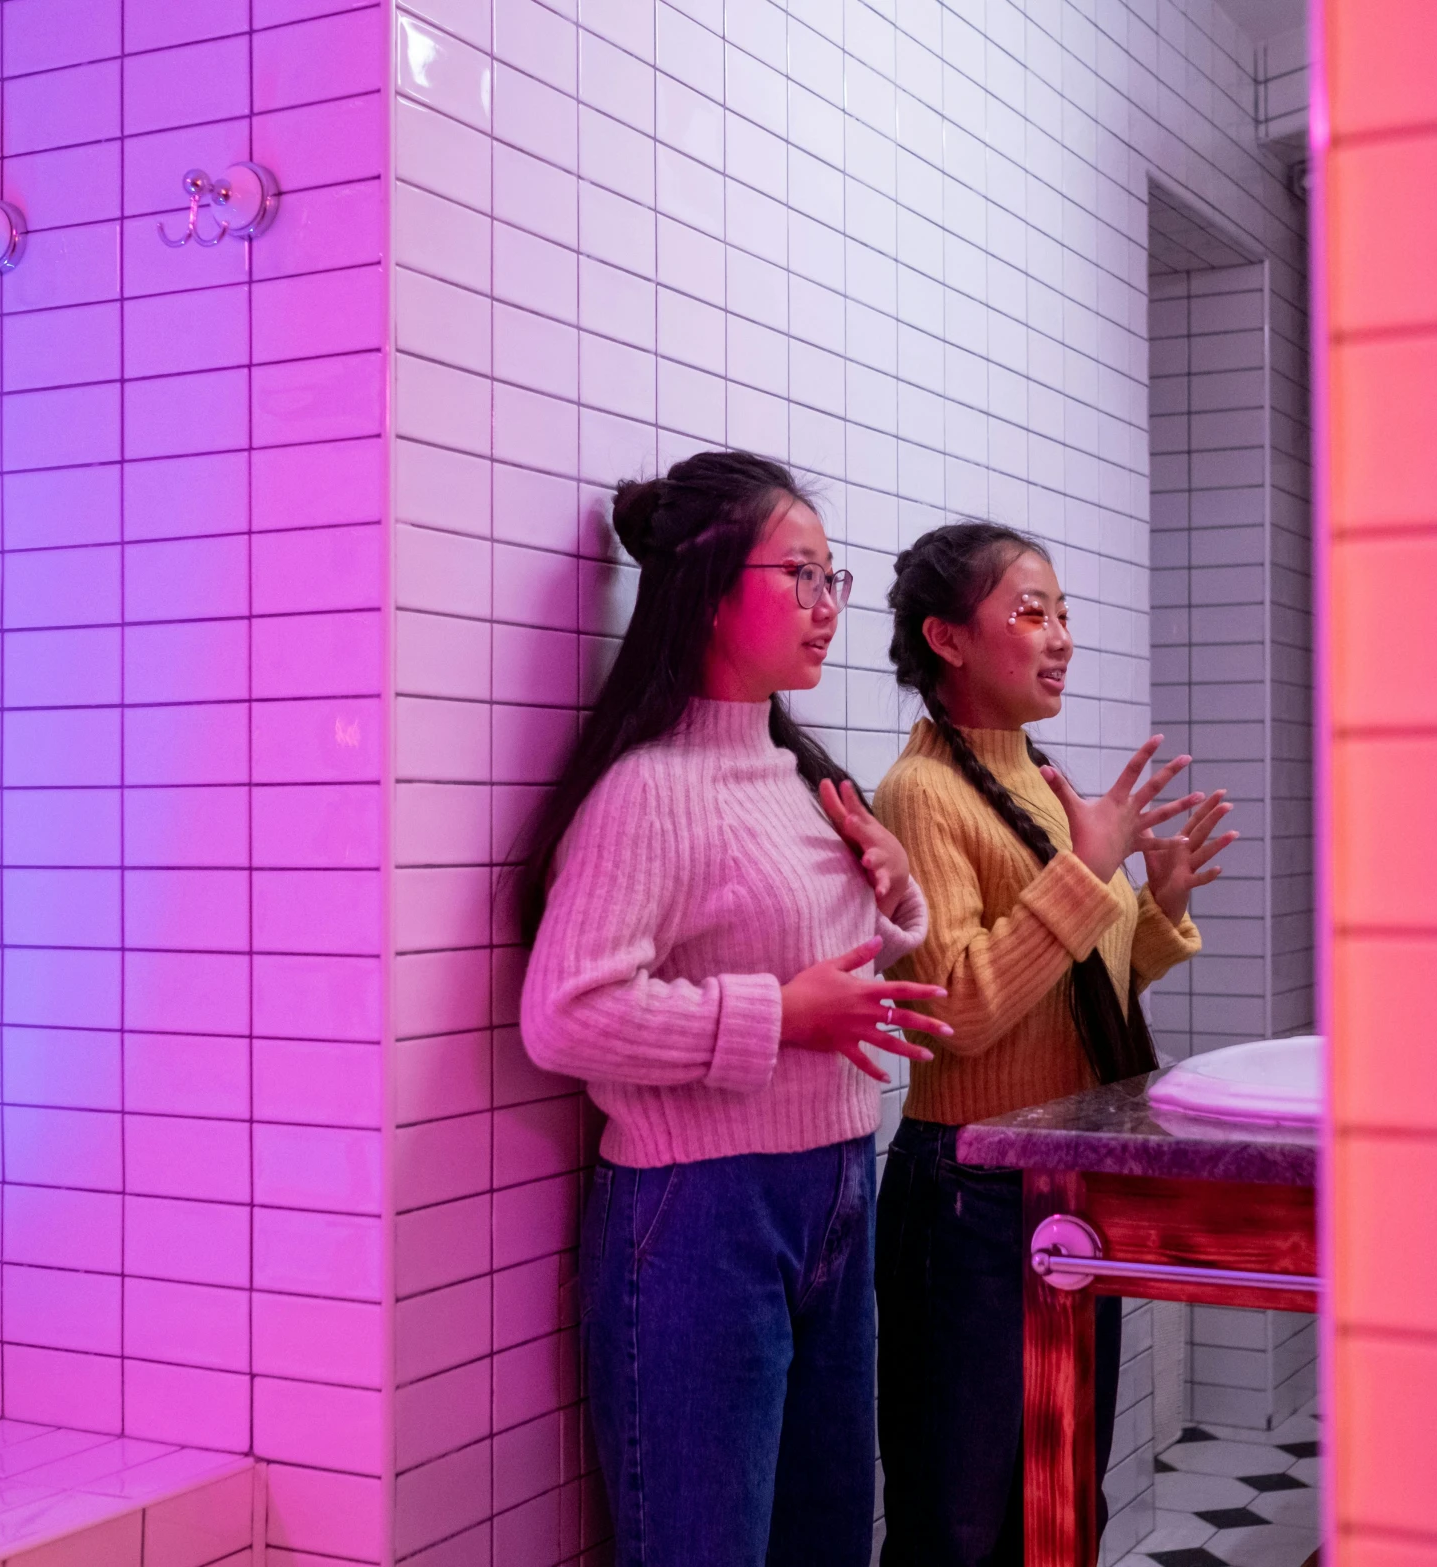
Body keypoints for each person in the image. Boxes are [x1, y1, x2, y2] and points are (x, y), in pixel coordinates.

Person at [515, 451, 955, 1567]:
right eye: (798, 576)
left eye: (831, 579)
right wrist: (776, 1017)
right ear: (710, 588)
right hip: (698, 1214)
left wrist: (892, 892)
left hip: (835, 1184)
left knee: (824, 1542)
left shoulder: (795, 770)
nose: (826, 608)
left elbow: (821, 959)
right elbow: (564, 1016)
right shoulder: (647, 790)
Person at [872, 521, 1237, 1566]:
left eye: (1063, 612)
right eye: (1030, 612)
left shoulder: (1036, 776)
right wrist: (1089, 872)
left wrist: (1152, 905)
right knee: (959, 1521)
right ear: (946, 638)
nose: (1061, 636)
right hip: (968, 1194)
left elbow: (1075, 976)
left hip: (1059, 1182)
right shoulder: (921, 794)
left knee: (1059, 1506)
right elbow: (956, 1009)